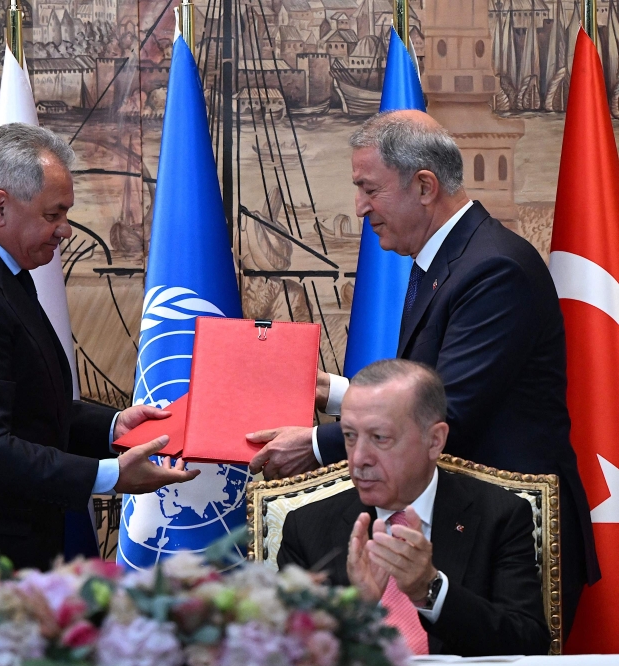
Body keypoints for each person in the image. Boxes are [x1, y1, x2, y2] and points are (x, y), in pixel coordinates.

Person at [249, 110, 598, 638]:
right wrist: (335, 393)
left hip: (509, 539)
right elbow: (429, 391)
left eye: (369, 189)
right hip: (465, 523)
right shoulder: (451, 258)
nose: (360, 207)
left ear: (425, 186)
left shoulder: (494, 267)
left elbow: (449, 409)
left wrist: (321, 446)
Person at [0, 123, 199, 570]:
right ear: (0, 207)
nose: (65, 230)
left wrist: (114, 427)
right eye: (54, 215)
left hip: (5, 544)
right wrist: (111, 476)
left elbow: (26, 405)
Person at [279, 359, 548, 655]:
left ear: (434, 440)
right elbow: (282, 651)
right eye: (350, 436)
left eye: (379, 438)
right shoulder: (306, 527)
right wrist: (356, 612)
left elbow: (528, 643)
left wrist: (430, 590)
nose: (358, 459)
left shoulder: (499, 516)